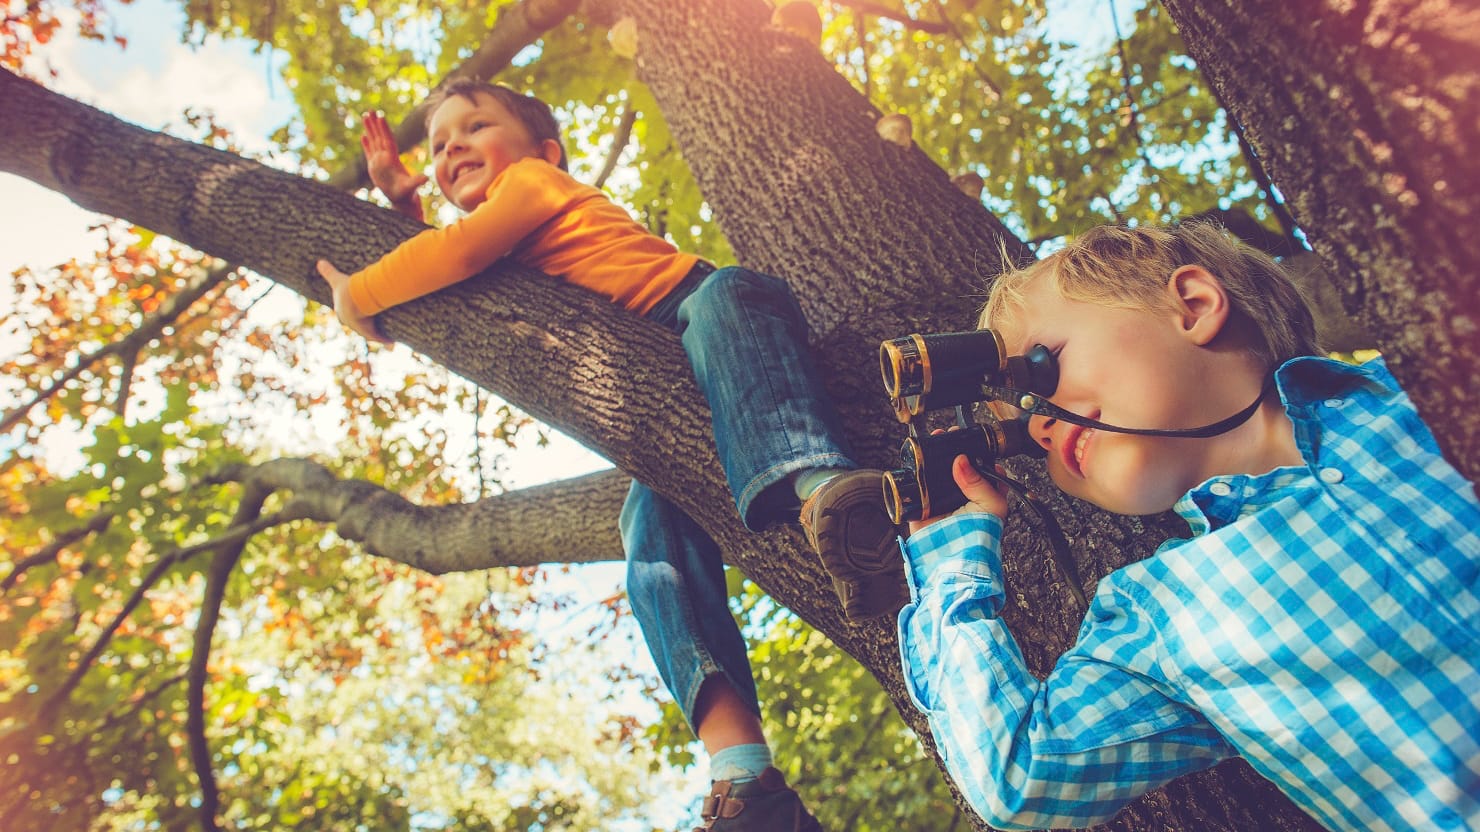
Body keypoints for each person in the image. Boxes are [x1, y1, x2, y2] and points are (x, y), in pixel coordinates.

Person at [313, 79, 905, 830]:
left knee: (725, 300)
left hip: (704, 311)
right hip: (675, 384)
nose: (452, 145)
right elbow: (447, 260)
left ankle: (832, 497)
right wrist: (405, 207)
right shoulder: (505, 232)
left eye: (475, 126)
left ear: (547, 153)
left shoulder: (533, 185)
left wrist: (355, 294)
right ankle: (745, 777)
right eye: (437, 145)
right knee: (649, 531)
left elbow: (456, 255)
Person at [855, 223, 1480, 830]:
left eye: (1041, 368)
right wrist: (951, 564)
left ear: (1194, 305)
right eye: (1024, 433)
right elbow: (1013, 773)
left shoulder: (1422, 388)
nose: (1040, 424)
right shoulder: (1158, 614)